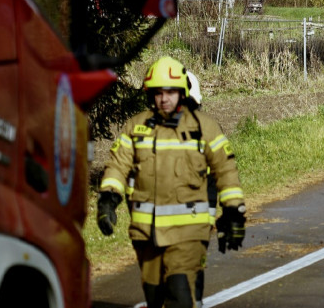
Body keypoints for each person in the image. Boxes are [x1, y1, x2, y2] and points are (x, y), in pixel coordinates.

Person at [96, 56, 247, 308]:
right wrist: (108, 199)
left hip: (188, 233)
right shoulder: (135, 127)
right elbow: (117, 164)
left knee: (180, 295)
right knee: (155, 298)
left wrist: (233, 211)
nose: (164, 98)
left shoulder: (204, 128)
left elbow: (225, 170)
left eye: (170, 92)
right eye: (158, 93)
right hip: (146, 235)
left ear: (182, 93)